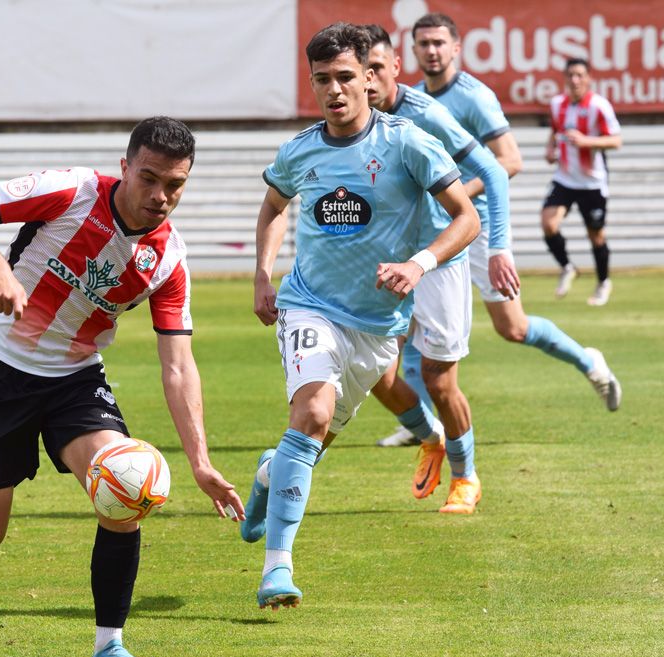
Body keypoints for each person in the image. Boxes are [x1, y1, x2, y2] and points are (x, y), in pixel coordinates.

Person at [0, 117, 245, 657]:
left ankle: (108, 647)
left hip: (76, 380)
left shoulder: (168, 259)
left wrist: (200, 462)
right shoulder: (72, 192)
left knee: (127, 485)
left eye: (175, 185)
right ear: (124, 168)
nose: (160, 196)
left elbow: (178, 364)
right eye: (149, 179)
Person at [241, 23, 478, 609]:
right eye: (322, 80)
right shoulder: (300, 150)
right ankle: (277, 570)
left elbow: (466, 218)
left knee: (311, 441)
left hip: (378, 330)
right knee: (313, 412)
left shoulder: (407, 143)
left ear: (370, 79)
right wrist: (263, 274)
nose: (334, 90)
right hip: (310, 306)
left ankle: (270, 474)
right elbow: (273, 205)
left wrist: (419, 265)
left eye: (345, 76)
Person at [372, 11, 622, 448]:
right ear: (411, 51)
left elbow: (508, 162)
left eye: (439, 43)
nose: (431, 51)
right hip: (427, 230)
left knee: (513, 327)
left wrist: (455, 197)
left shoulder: (474, 97)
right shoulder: (407, 98)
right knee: (411, 321)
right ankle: (424, 421)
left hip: (477, 226)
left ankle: (589, 360)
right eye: (423, 43)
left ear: (456, 48)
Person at [361, 25, 515, 513]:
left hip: (439, 257)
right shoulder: (351, 121)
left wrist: (499, 247)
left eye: (375, 72)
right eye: (356, 74)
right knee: (374, 373)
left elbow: (494, 168)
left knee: (438, 378)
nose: (365, 84)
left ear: (394, 68)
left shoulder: (426, 113)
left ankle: (466, 476)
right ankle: (429, 437)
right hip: (385, 257)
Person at [542, 58, 622, 306]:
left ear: (588, 79)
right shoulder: (557, 104)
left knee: (596, 236)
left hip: (592, 182)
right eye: (570, 75)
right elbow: (555, 132)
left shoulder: (599, 106)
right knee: (548, 224)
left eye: (579, 75)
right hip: (565, 178)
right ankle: (567, 267)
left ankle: (603, 282)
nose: (574, 80)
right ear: (565, 79)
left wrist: (587, 141)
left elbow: (616, 141)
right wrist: (550, 148)